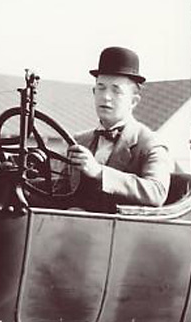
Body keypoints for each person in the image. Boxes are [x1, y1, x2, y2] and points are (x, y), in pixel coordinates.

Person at [67, 46, 174, 210]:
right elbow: (58, 191)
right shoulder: (78, 141)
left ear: (134, 101)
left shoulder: (150, 144)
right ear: (94, 92)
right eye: (101, 88)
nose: (106, 97)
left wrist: (99, 173)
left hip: (120, 232)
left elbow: (156, 192)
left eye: (116, 91)